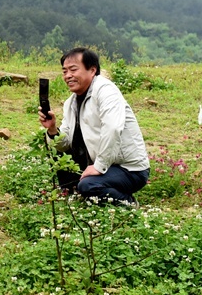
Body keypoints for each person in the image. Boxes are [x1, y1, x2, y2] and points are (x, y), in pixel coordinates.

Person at [39, 47, 150, 206]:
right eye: (64, 71)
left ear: (92, 70)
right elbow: (64, 145)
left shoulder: (106, 91)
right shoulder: (71, 102)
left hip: (128, 169)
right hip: (100, 163)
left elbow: (112, 129)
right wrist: (52, 129)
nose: (68, 75)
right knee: (60, 155)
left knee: (88, 185)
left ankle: (128, 202)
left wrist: (98, 167)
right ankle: (76, 194)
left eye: (73, 70)